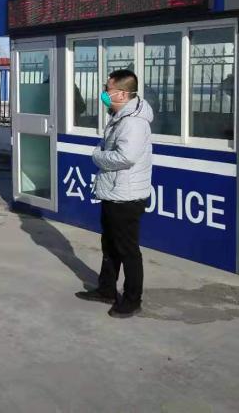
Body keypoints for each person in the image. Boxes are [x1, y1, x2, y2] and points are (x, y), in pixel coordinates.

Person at [76, 69, 153, 318]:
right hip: (114, 191)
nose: (103, 93)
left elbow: (125, 157)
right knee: (109, 245)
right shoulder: (120, 116)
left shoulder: (133, 122)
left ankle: (132, 300)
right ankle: (106, 289)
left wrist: (97, 156)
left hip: (126, 196)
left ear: (121, 93)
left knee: (127, 250)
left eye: (107, 89)